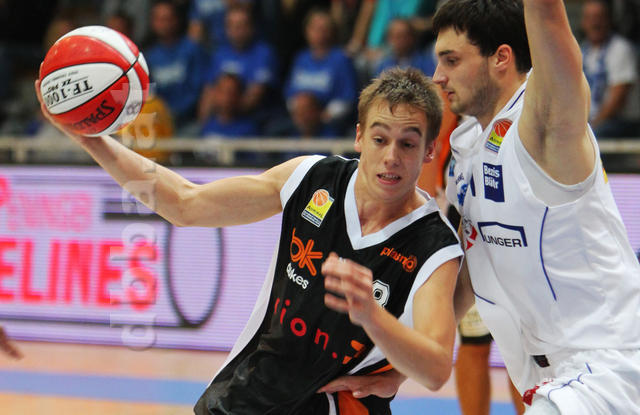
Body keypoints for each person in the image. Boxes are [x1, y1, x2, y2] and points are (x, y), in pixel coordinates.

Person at [35, 67, 463, 414]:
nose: (391, 157)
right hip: (245, 398)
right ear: (359, 137)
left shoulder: (434, 246)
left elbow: (436, 370)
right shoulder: (311, 178)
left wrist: (372, 316)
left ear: (429, 151)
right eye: (380, 139)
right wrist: (93, 141)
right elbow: (185, 203)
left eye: (408, 144)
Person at [430, 0, 640, 413]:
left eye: (452, 61)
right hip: (548, 377)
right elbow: (470, 271)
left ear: (501, 58)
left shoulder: (543, 122)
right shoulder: (468, 146)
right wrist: (390, 352)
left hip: (608, 369)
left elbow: (547, 19)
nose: (438, 76)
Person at [144, 0, 208, 132]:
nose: (163, 24)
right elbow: (149, 93)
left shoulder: (192, 49)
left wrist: (176, 112)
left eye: (167, 19)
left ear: (176, 20)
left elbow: (199, 88)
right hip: (160, 121)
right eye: (159, 19)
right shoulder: (150, 56)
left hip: (190, 121)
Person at [580, 0, 640, 138]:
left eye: (599, 17)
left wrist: (591, 127)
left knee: (595, 136)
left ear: (608, 20)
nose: (594, 23)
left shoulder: (621, 49)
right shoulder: (582, 51)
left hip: (622, 123)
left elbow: (618, 99)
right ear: (583, 23)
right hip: (591, 121)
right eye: (589, 18)